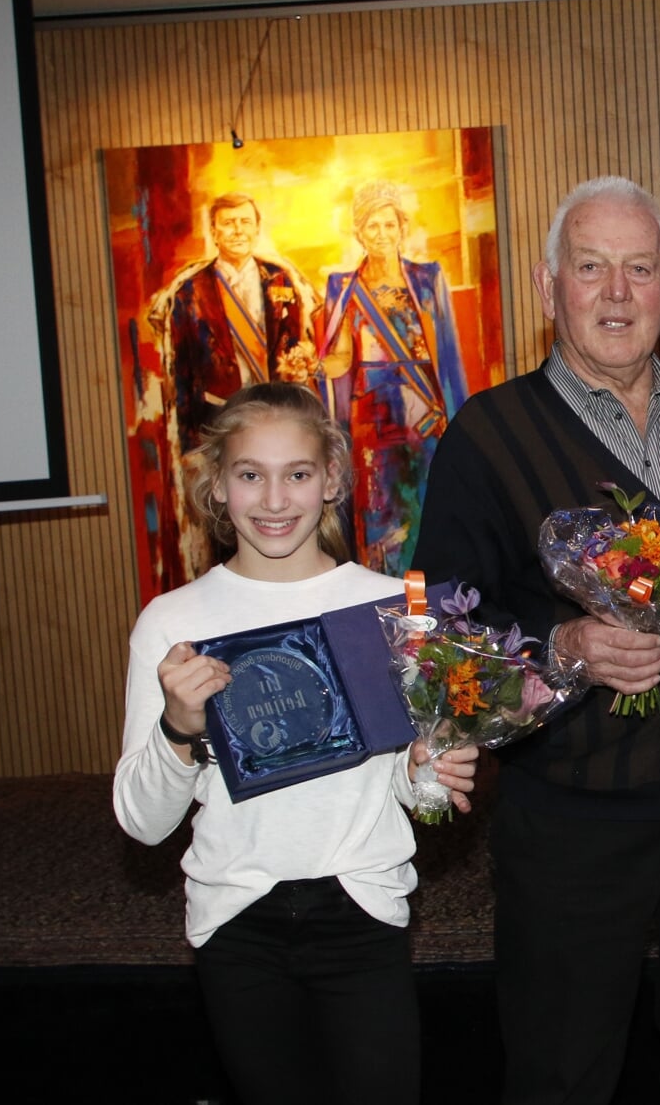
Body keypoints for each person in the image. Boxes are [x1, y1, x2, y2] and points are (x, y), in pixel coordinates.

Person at [412, 176, 660, 1105]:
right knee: (562, 1066)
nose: (616, 293)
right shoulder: (486, 435)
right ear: (551, 288)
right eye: (592, 268)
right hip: (580, 818)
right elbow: (441, 627)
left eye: (638, 270)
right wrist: (567, 648)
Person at [112, 381, 478, 1105]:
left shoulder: (393, 607)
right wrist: (179, 730)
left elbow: (414, 789)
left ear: (333, 480)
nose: (274, 500)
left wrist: (433, 768)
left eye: (298, 474)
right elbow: (142, 821)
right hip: (235, 917)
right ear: (218, 486)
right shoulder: (172, 621)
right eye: (250, 474)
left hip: (363, 905)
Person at [149, 192, 321, 587]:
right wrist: (193, 442)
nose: (238, 230)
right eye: (228, 223)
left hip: (281, 429)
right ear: (214, 231)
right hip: (221, 425)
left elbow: (296, 347)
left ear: (257, 228)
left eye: (245, 222)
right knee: (226, 534)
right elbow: (183, 376)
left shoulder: (280, 280)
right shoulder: (190, 291)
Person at [318, 180, 474, 575]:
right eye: (372, 226)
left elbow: (449, 355)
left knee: (429, 504)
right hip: (370, 417)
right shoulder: (343, 286)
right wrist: (314, 366)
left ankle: (438, 600)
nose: (382, 235)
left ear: (402, 229)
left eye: (389, 225)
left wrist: (460, 424)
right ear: (358, 233)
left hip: (423, 414)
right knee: (378, 513)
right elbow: (337, 361)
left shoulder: (427, 278)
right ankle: (381, 601)